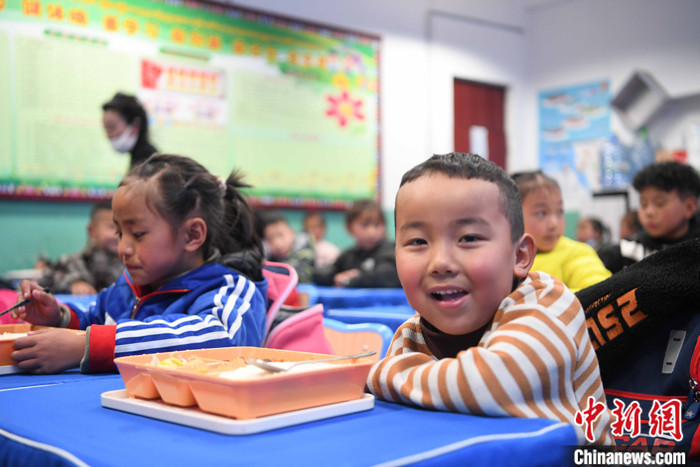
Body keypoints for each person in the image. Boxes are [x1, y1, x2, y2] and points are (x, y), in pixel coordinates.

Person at [366, 152, 613, 446]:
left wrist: (368, 373)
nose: (440, 262)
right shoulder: (410, 335)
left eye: (469, 238)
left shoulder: (548, 304)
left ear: (519, 256)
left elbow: (493, 384)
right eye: (418, 241)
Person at [11, 154, 268, 374]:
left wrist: (87, 347)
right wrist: (58, 317)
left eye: (138, 234)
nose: (123, 248)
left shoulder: (230, 289)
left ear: (192, 235)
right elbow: (95, 318)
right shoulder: (127, 286)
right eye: (119, 233)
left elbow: (220, 338)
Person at [512, 170, 611, 292]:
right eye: (541, 213)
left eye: (559, 211)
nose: (553, 224)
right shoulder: (507, 258)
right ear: (512, 217)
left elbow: (601, 292)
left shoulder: (577, 252)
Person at [598, 161, 700, 273]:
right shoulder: (627, 252)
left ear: (689, 207)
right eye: (644, 204)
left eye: (659, 203)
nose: (649, 212)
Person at [38, 200, 124, 295]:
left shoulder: (128, 264)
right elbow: (45, 279)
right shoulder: (75, 262)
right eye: (112, 227)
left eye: (125, 228)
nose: (119, 233)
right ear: (92, 231)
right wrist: (72, 284)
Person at [312, 199, 400, 288]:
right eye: (365, 225)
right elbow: (320, 274)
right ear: (350, 228)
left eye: (377, 225)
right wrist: (335, 278)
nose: (372, 232)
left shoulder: (392, 251)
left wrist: (352, 280)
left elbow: (388, 276)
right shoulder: (348, 256)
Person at [102, 92, 158, 169]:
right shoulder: (140, 158)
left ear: (135, 126)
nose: (108, 135)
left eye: (112, 127)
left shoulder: (150, 163)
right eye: (106, 128)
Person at [262, 211, 316, 283]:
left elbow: (296, 276)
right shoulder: (268, 255)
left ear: (291, 232)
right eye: (270, 239)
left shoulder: (305, 247)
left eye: (280, 235)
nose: (277, 243)